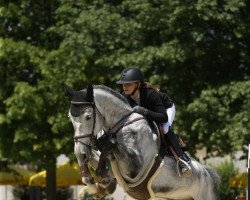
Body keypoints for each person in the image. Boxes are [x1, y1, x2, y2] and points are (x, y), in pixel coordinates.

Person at [116, 67, 191, 177]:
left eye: (128, 84)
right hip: (149, 113)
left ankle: (182, 158)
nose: (125, 87)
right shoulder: (126, 97)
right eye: (123, 84)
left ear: (137, 84)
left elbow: (163, 117)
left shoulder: (150, 94)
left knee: (164, 128)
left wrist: (144, 111)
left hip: (166, 109)